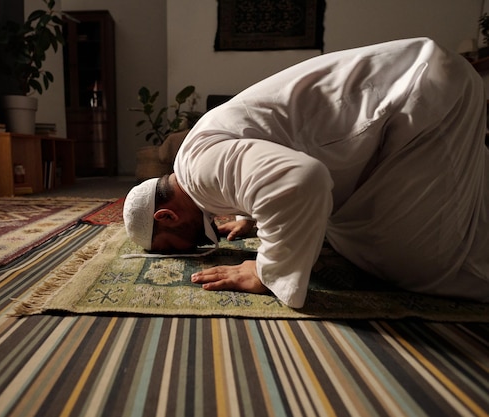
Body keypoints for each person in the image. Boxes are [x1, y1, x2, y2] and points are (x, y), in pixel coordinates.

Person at [123, 37, 489, 308]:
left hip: (419, 101)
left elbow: (300, 180)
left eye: (173, 246)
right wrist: (253, 216)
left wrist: (267, 270)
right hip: (423, 83)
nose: (190, 250)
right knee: (336, 230)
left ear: (166, 215)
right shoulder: (196, 161)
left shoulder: (198, 169)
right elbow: (270, 164)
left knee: (414, 265)